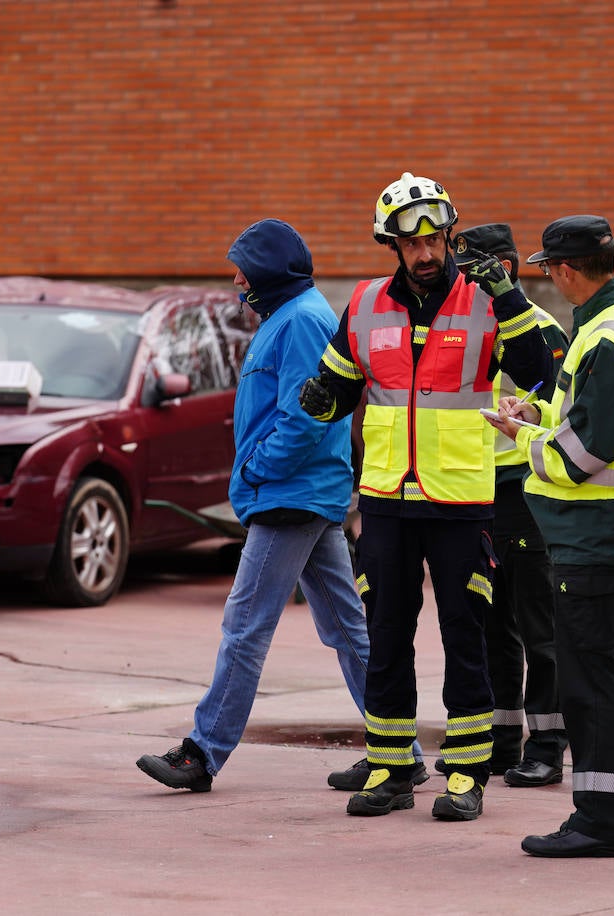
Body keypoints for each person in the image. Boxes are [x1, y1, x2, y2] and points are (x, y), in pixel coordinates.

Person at [300, 173, 553, 822]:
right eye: (411, 241)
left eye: (435, 237)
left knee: (465, 634)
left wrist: (510, 293)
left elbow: (538, 373)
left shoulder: (484, 300)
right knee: (384, 636)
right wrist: (321, 400)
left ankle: (467, 773)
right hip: (385, 498)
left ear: (447, 234)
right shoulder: (361, 305)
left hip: (461, 501)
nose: (426, 251)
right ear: (392, 243)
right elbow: (338, 385)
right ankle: (389, 767)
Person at [135, 218, 393, 792]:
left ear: (270, 273)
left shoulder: (301, 320)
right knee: (348, 630)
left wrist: (256, 472)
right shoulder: (289, 316)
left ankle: (201, 753)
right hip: (304, 494)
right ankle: (396, 749)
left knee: (245, 627)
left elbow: (303, 417)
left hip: (289, 496)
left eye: (243, 271)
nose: (236, 280)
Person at [485, 215, 614, 858]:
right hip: (605, 527)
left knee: (591, 679)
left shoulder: (610, 336)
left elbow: (582, 454)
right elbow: (586, 416)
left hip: (596, 528)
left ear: (566, 271)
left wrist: (523, 437)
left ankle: (598, 820)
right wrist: (538, 410)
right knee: (612, 668)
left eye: (548, 270)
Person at [450, 222, 570, 787]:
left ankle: (547, 744)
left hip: (522, 486)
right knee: (489, 622)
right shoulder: (458, 325)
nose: (464, 276)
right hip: (470, 488)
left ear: (505, 267)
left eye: (477, 267)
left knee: (536, 622)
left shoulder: (539, 330)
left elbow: (558, 405)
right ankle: (500, 743)